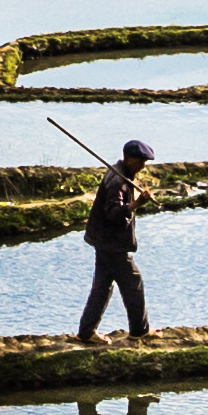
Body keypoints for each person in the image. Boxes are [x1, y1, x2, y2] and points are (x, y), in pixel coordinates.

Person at [76, 138, 153, 343]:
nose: (143, 166)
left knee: (102, 286)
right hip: (110, 243)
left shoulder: (123, 174)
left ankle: (86, 332)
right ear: (128, 158)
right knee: (133, 282)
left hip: (104, 240)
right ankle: (139, 331)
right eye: (140, 161)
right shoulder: (117, 181)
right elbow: (113, 214)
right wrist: (137, 203)